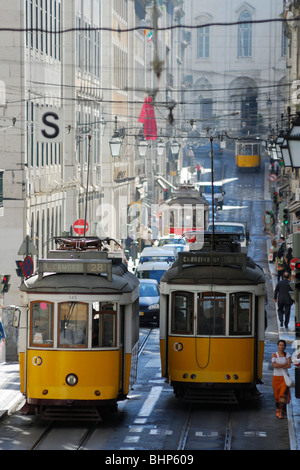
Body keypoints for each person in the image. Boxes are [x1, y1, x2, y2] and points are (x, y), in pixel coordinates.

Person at [272, 339, 291, 419]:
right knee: (277, 396)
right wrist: (284, 364)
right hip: (276, 378)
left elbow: (289, 365)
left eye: (283, 345)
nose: (281, 347)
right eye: (280, 345)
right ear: (277, 346)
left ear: (285, 347)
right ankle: (278, 409)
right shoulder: (274, 355)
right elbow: (274, 366)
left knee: (282, 395)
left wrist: (279, 365)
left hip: (284, 378)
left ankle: (279, 412)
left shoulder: (287, 355)